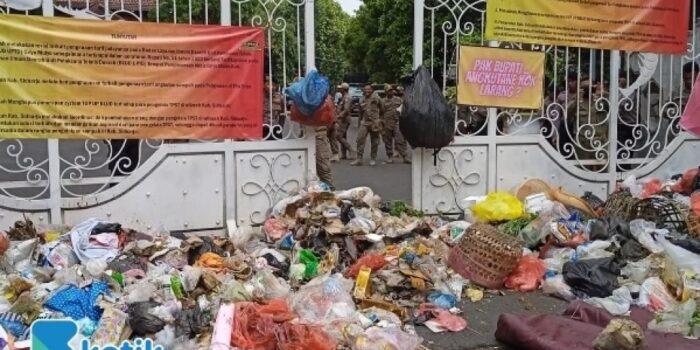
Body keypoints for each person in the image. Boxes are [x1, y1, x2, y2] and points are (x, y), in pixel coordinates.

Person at [351, 84, 383, 166]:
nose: (367, 91)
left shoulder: (377, 98)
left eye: (368, 89)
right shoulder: (361, 99)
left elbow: (382, 109)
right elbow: (360, 113)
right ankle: (359, 158)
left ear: (371, 90)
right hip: (364, 122)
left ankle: (373, 158)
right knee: (360, 140)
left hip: (374, 122)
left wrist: (380, 120)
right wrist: (359, 124)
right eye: (365, 89)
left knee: (374, 141)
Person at [381, 84, 410, 164]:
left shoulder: (399, 99)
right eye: (388, 91)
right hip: (387, 122)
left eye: (391, 90)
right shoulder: (383, 101)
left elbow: (405, 109)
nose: (391, 92)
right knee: (388, 140)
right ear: (386, 92)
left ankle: (404, 156)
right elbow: (381, 113)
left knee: (399, 139)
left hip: (397, 122)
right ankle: (390, 156)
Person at [334, 83, 356, 160]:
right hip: (343, 119)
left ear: (343, 89)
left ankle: (351, 149)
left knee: (338, 136)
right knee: (343, 136)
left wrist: (339, 116)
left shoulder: (347, 98)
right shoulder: (343, 97)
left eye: (340, 88)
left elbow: (346, 109)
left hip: (344, 119)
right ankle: (344, 154)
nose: (339, 89)